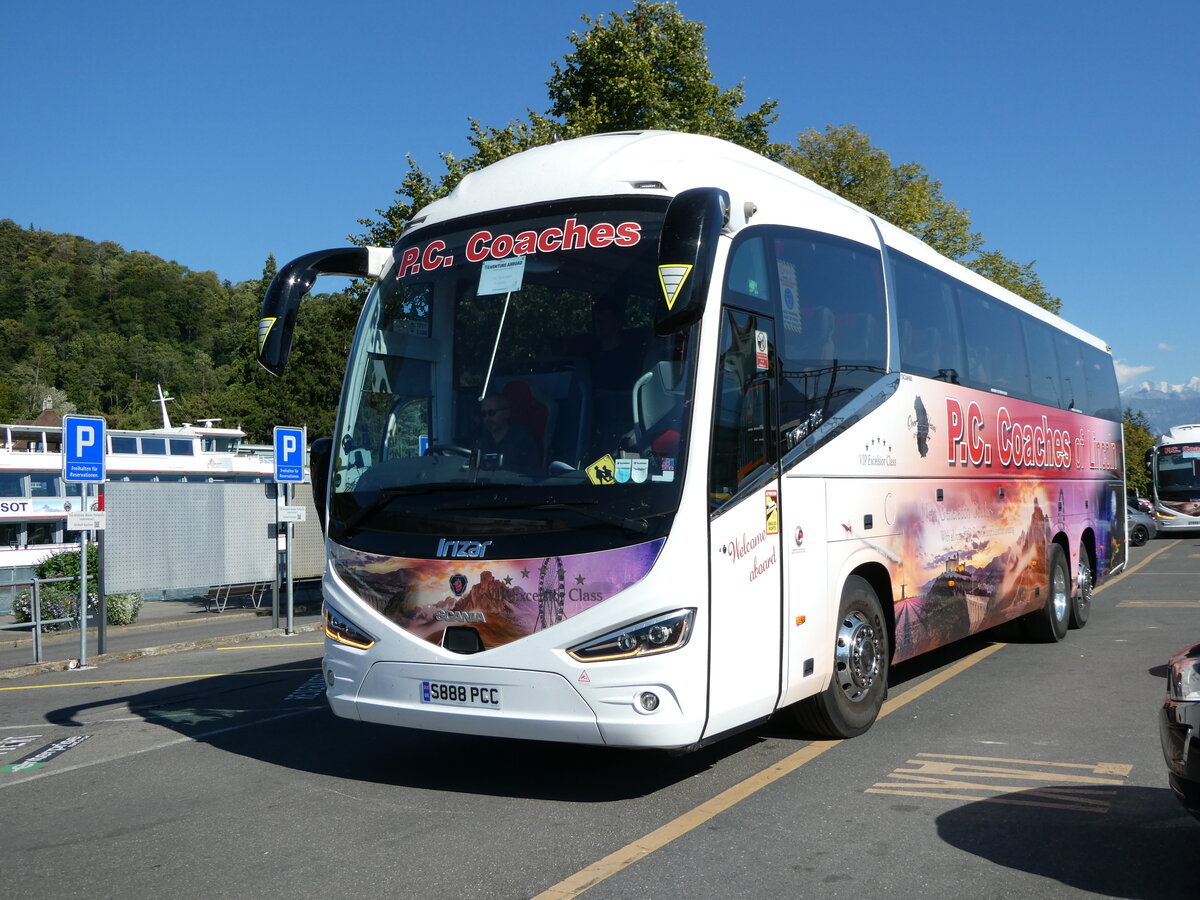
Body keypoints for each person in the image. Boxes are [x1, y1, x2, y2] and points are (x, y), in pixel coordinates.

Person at [479, 393, 540, 475]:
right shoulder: (480, 442)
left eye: (491, 412)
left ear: (506, 413)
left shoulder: (523, 441)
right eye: (483, 414)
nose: (487, 418)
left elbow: (530, 474)